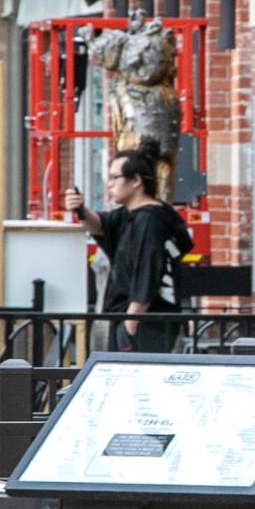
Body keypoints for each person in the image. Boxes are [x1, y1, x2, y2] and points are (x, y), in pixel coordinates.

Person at [63, 139, 193, 352]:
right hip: (134, 317)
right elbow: (101, 226)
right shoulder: (130, 216)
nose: (109, 184)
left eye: (115, 177)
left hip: (147, 322)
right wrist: (80, 210)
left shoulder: (150, 220)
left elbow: (149, 270)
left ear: (136, 181)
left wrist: (131, 321)